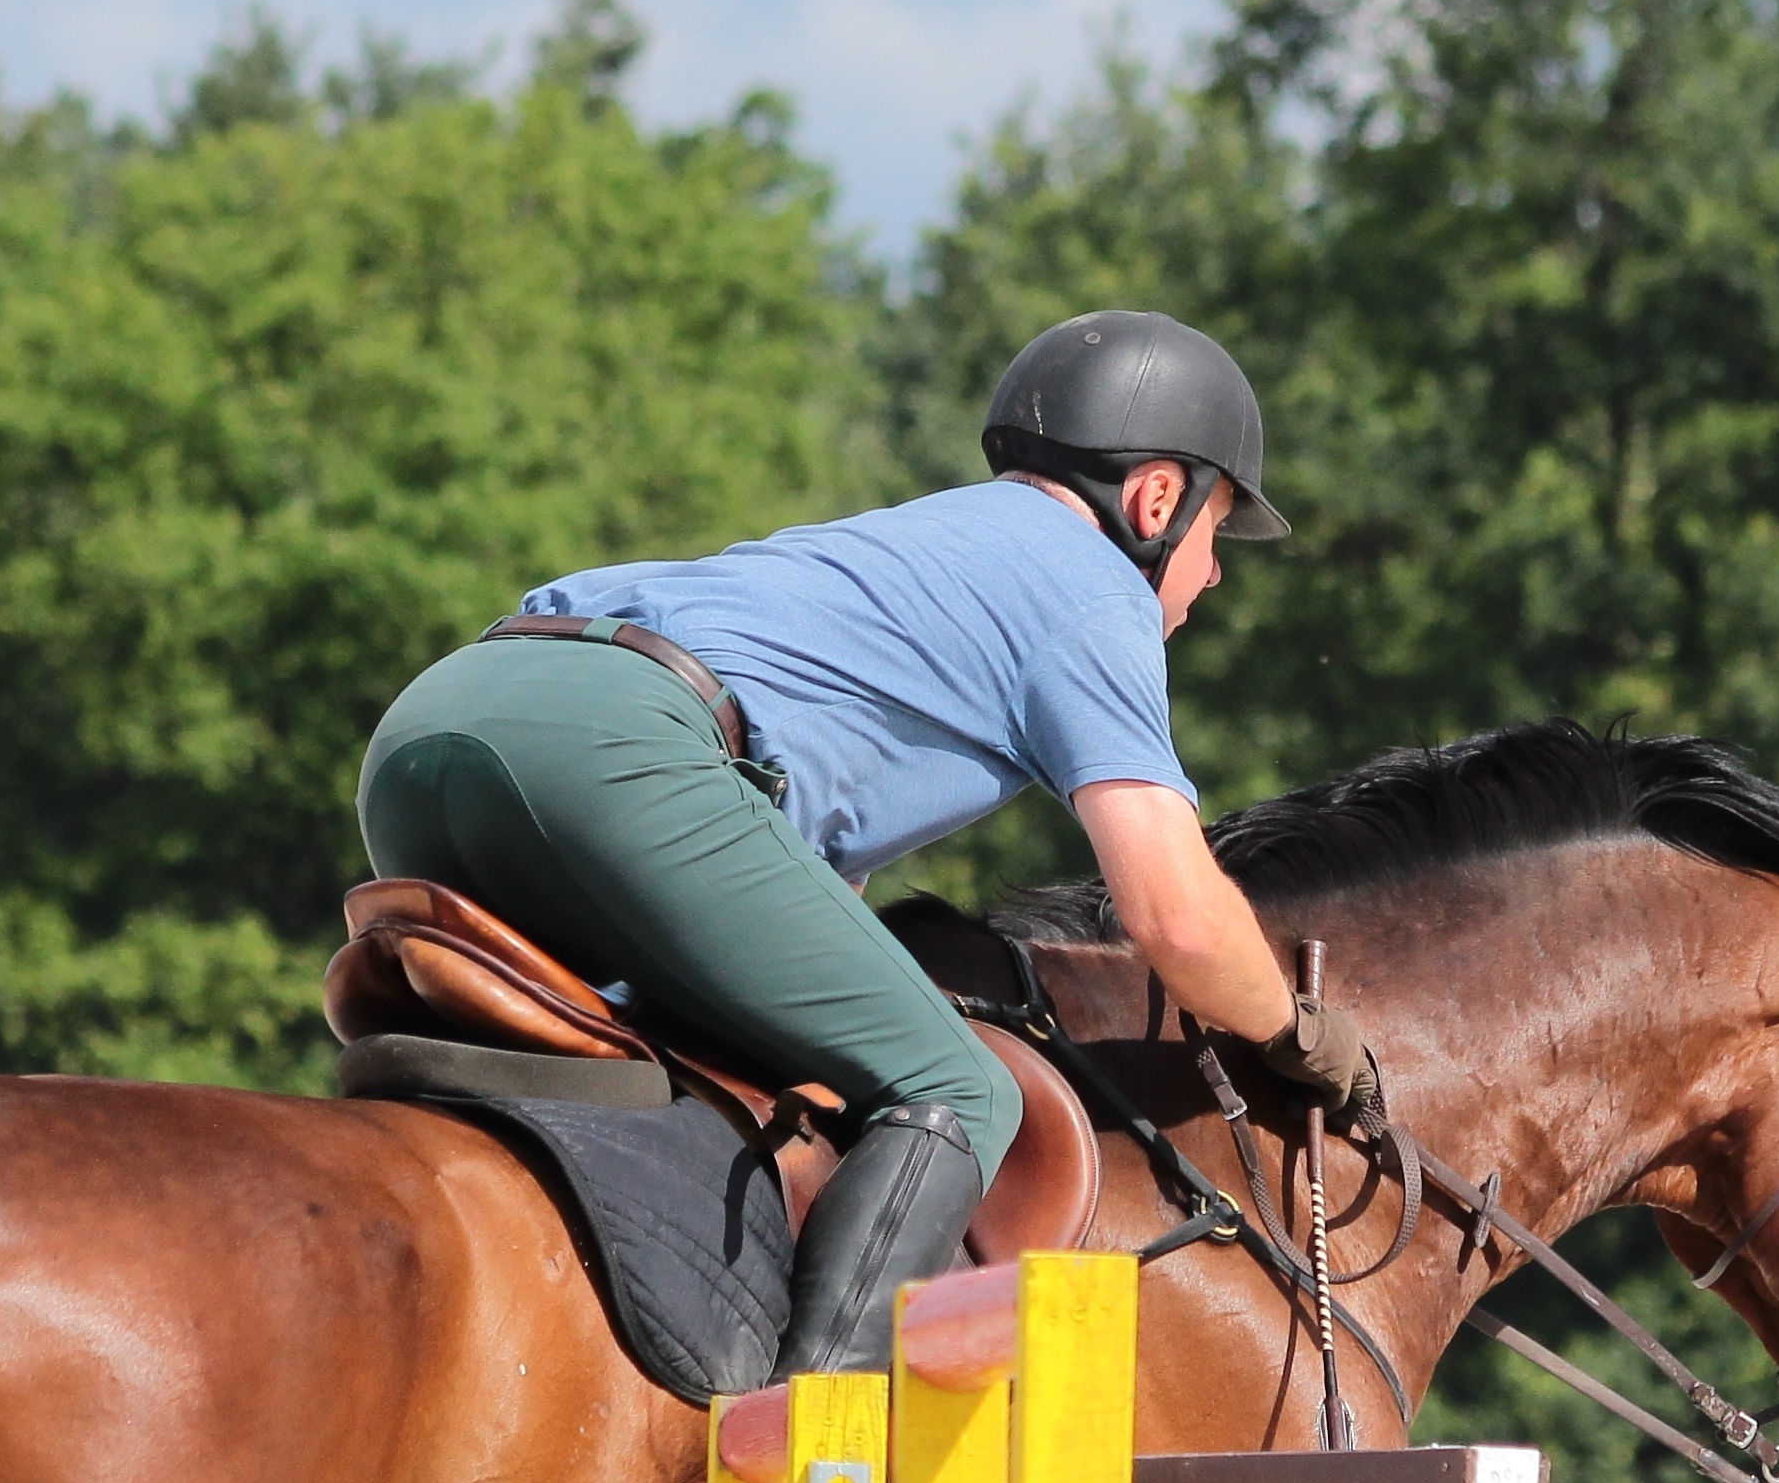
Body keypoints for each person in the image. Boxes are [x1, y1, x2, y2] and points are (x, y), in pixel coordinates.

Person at [359, 308, 1377, 1374]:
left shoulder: (916, 551)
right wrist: (1302, 1035)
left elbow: (792, 908)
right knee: (961, 1091)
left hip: (438, 725)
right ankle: (815, 1470)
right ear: (1157, 498)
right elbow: (1176, 915)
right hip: (617, 753)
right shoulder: (1092, 590)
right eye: (1217, 533)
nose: (1212, 575)